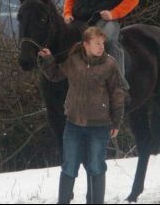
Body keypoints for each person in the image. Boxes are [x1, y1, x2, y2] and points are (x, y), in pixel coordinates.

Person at [38, 27, 126, 204]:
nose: (101, 47)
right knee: (69, 167)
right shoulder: (74, 61)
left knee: (96, 167)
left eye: (102, 43)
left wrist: (116, 121)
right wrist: (47, 60)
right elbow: (55, 75)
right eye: (97, 44)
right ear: (86, 44)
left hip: (99, 126)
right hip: (73, 125)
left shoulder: (110, 65)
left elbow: (117, 93)